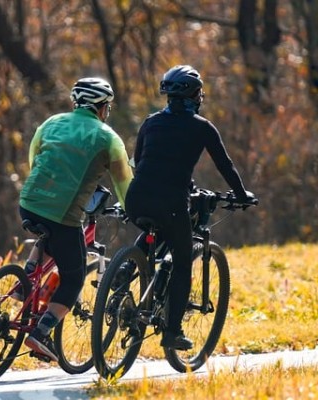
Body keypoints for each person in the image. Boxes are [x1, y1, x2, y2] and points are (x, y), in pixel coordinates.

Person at [125, 65, 256, 350]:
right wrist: (241, 194)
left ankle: (125, 271)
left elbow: (141, 161)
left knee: (153, 229)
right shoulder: (202, 127)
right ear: (195, 95)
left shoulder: (150, 122)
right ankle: (172, 332)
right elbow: (225, 166)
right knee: (183, 262)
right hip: (171, 203)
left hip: (135, 198)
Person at [17, 77, 133, 361]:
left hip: (28, 202)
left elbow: (35, 158)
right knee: (74, 277)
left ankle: (23, 284)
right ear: (102, 106)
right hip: (63, 214)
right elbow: (124, 183)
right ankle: (40, 333)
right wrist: (132, 208)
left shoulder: (51, 123)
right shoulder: (108, 138)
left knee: (51, 238)